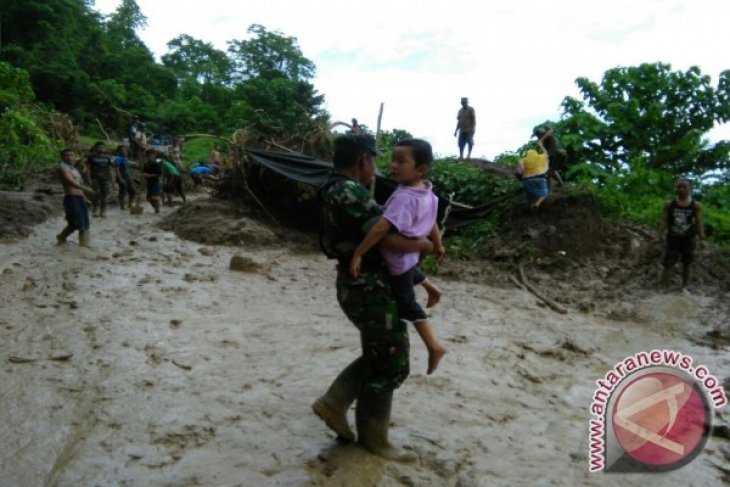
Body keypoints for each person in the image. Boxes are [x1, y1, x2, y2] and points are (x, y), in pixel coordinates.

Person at [313, 133, 433, 462]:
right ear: (364, 160)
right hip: (367, 286)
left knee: (381, 353)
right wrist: (424, 245)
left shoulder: (333, 187)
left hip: (360, 284)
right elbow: (390, 240)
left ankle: (336, 403)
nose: (382, 167)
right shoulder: (350, 191)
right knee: (393, 362)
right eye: (378, 160)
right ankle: (372, 438)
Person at [349, 138, 447, 375]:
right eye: (393, 159)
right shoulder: (427, 192)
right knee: (411, 270)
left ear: (421, 169)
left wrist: (358, 253)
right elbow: (432, 220)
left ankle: (434, 346)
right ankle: (432, 288)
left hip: (398, 258)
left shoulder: (404, 198)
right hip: (412, 254)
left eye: (401, 161)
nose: (393, 165)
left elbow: (381, 228)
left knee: (407, 303)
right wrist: (438, 243)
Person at [655, 179, 706, 289]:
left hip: (688, 238)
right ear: (675, 188)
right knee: (669, 262)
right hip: (673, 237)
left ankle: (684, 287)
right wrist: (658, 236)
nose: (681, 190)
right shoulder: (669, 204)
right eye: (679, 187)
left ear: (689, 189)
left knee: (687, 263)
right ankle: (663, 287)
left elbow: (699, 222)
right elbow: (664, 222)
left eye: (684, 187)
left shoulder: (695, 205)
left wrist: (702, 239)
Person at [56, 148, 95, 247]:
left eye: (71, 155)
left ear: (75, 157)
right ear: (62, 157)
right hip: (71, 197)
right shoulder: (63, 168)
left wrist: (85, 198)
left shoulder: (74, 169)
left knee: (83, 222)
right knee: (76, 223)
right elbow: (70, 182)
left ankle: (84, 245)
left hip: (79, 197)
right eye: (67, 155)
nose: (70, 157)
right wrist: (86, 189)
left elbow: (78, 183)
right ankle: (62, 237)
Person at [515, 138, 549, 210]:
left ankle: (532, 209)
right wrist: (540, 145)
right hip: (540, 178)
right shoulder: (540, 157)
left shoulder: (523, 160)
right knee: (544, 193)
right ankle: (537, 203)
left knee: (530, 197)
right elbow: (546, 153)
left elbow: (520, 170)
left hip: (526, 180)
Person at [86, 142, 113, 217]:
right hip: (95, 178)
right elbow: (88, 169)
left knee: (105, 195)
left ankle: (103, 211)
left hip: (106, 179)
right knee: (96, 194)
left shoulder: (107, 158)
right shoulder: (91, 157)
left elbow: (110, 169)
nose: (101, 149)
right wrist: (88, 179)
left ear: (105, 149)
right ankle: (95, 210)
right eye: (99, 147)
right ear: (95, 148)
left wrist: (112, 180)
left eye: (102, 147)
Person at [114, 145, 136, 210]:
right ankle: (122, 206)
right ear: (119, 151)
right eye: (122, 150)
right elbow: (117, 169)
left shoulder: (125, 158)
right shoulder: (118, 158)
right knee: (123, 191)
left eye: (125, 150)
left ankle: (130, 204)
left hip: (128, 175)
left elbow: (127, 162)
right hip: (122, 175)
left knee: (133, 190)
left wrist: (133, 163)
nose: (124, 151)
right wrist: (120, 178)